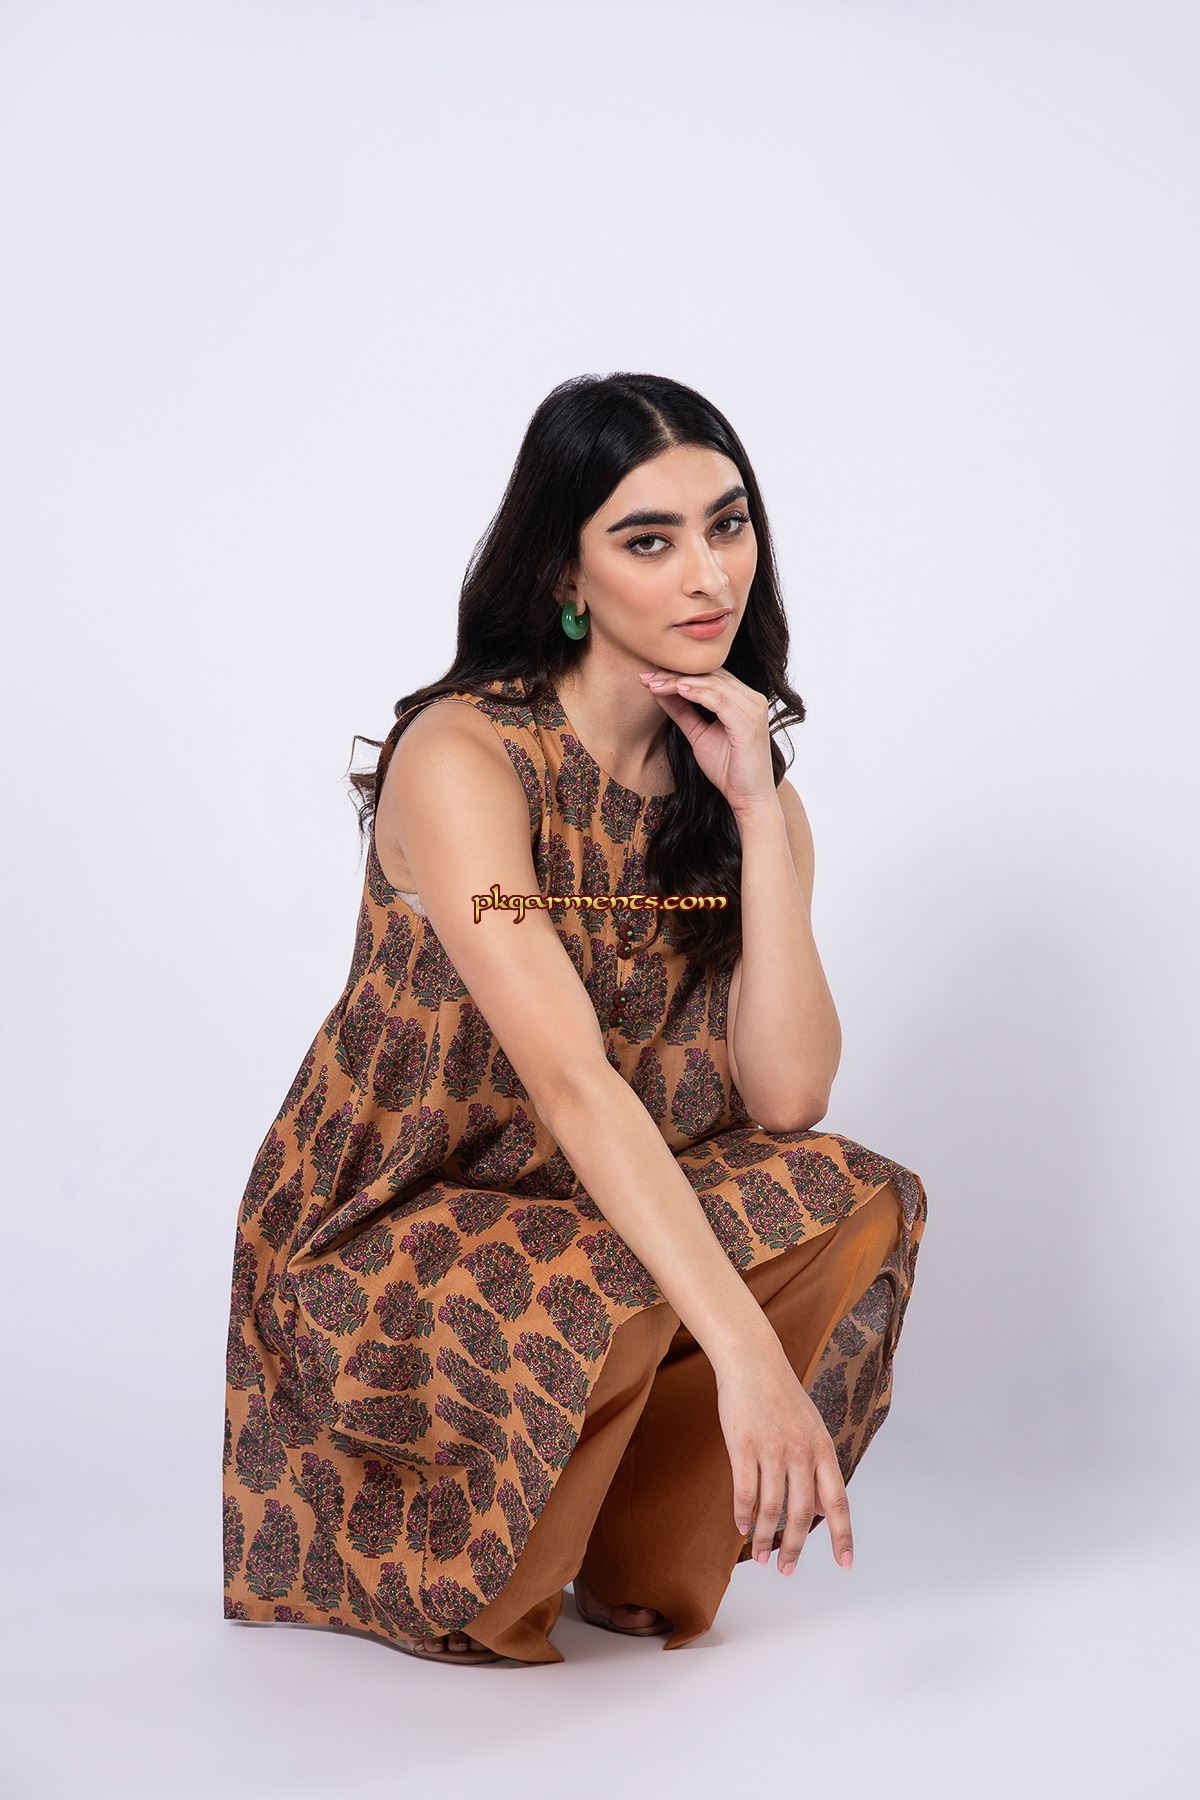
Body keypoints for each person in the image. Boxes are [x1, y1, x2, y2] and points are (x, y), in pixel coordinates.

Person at [221, 371, 929, 1667]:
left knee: (849, 1194)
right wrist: (747, 1357)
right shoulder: (465, 756)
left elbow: (787, 1097)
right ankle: (486, 1578)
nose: (707, 575)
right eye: (649, 541)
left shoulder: (744, 787)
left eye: (727, 525)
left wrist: (756, 811)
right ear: (566, 570)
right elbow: (571, 1083)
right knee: (605, 1283)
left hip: (588, 1215)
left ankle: (635, 1549)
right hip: (394, 1229)